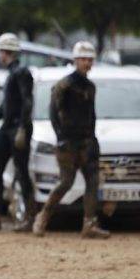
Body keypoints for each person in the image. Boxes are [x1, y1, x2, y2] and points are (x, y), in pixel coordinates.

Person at [33, 41, 110, 239]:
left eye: (90, 60)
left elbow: (91, 115)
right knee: (66, 182)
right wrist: (61, 138)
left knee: (93, 183)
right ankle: (42, 217)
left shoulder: (90, 87)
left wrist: (93, 139)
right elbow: (53, 113)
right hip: (68, 143)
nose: (87, 63)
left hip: (87, 142)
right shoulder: (64, 85)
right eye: (83, 59)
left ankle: (89, 224)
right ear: (76, 60)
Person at [0, 33, 36, 232]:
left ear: (5, 53)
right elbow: (6, 106)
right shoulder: (12, 74)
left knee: (21, 172)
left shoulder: (22, 73)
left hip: (18, 129)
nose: (0, 56)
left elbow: (27, 102)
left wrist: (22, 128)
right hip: (6, 129)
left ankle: (29, 218)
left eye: (1, 52)